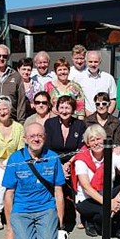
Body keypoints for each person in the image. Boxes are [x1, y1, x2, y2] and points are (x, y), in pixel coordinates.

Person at [0, 122, 65, 239]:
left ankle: (42, 232)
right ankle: (31, 233)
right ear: (25, 139)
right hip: (21, 210)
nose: (36, 139)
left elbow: (58, 191)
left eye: (39, 135)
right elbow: (9, 194)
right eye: (32, 136)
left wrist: (60, 225)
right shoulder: (15, 158)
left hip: (46, 208)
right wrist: (10, 229)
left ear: (45, 137)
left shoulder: (53, 157)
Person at [72, 124, 120, 239]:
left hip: (108, 195)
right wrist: (109, 204)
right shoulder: (81, 158)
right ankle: (97, 224)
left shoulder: (113, 154)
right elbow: (87, 188)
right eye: (92, 140)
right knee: (104, 213)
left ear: (104, 139)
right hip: (87, 199)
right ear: (88, 143)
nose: (96, 142)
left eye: (98, 138)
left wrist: (118, 198)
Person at [44, 96, 86, 230]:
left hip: (73, 160)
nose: (64, 110)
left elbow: (81, 148)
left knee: (79, 172)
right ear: (57, 109)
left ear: (73, 109)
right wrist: (60, 166)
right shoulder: (49, 124)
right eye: (61, 107)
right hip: (54, 160)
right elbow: (48, 148)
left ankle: (80, 212)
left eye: (67, 107)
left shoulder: (80, 125)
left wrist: (68, 164)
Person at [0, 96, 25, 231]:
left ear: (10, 109)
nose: (2, 112)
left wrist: (11, 164)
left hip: (12, 163)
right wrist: (0, 164)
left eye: (5, 109)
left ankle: (16, 212)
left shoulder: (18, 127)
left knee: (12, 178)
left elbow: (20, 149)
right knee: (5, 180)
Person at [75, 50, 117, 116]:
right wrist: (88, 115)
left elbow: (113, 100)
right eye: (90, 62)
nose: (93, 64)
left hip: (104, 119)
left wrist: (106, 115)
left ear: (100, 62)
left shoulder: (108, 78)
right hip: (86, 118)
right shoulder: (78, 79)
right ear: (86, 62)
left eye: (96, 62)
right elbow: (76, 100)